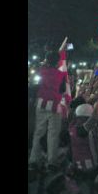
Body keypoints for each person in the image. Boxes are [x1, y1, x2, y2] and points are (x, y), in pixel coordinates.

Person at [29, 45, 69, 173]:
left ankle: (33, 161)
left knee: (38, 132)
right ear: (58, 62)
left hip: (41, 103)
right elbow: (62, 90)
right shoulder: (61, 75)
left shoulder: (41, 71)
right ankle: (52, 162)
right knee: (53, 134)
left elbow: (34, 85)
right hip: (55, 105)